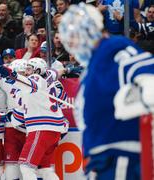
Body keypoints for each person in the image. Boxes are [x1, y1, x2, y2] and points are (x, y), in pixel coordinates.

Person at [59, 2, 154, 180]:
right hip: (100, 160)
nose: (74, 44)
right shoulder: (89, 71)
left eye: (76, 36)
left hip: (120, 156)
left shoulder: (112, 47)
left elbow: (145, 72)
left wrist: (138, 98)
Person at [0, 58, 69, 180]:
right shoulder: (50, 81)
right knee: (44, 169)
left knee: (26, 167)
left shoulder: (35, 79)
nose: (26, 71)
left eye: (29, 69)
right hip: (55, 129)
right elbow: (20, 115)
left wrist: (12, 74)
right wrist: (8, 117)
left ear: (37, 70)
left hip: (41, 129)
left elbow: (32, 85)